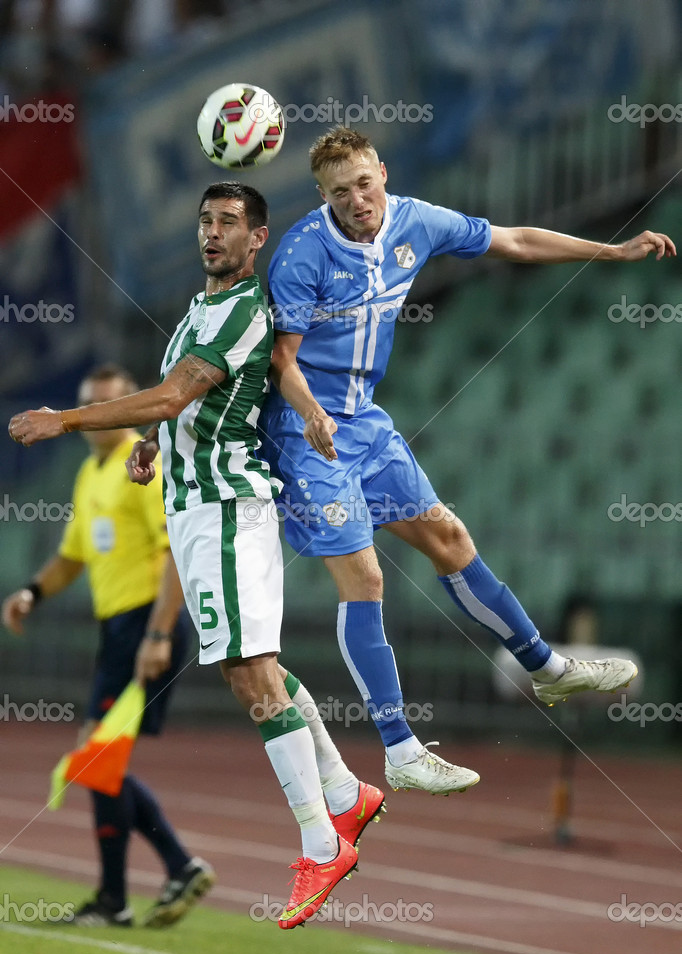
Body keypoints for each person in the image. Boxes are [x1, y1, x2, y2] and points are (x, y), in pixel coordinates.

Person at [7, 181, 385, 931]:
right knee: (257, 664)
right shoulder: (198, 309)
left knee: (248, 676)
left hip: (225, 509)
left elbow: (175, 395)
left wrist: (69, 418)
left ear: (258, 239)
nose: (212, 234)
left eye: (229, 224)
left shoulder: (245, 309)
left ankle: (321, 841)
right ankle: (345, 792)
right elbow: (190, 407)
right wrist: (155, 447)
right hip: (196, 506)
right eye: (206, 221)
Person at [259, 125, 676, 797]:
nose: (357, 199)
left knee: (449, 537)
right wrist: (310, 412)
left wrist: (612, 250)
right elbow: (282, 358)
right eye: (341, 192)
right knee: (365, 576)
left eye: (365, 183)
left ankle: (546, 668)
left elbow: (513, 239)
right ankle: (399, 748)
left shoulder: (415, 221)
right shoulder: (303, 252)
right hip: (305, 437)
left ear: (383, 174)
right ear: (322, 195)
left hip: (364, 422)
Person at [2, 363, 215, 927]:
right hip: (118, 628)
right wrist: (30, 592)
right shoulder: (91, 473)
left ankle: (132, 889)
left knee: (95, 759)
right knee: (99, 761)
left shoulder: (141, 467)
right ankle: (160, 876)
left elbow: (175, 550)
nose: (98, 421)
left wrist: (160, 633)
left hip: (145, 622)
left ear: (128, 408)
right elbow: (74, 553)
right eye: (90, 406)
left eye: (109, 406)